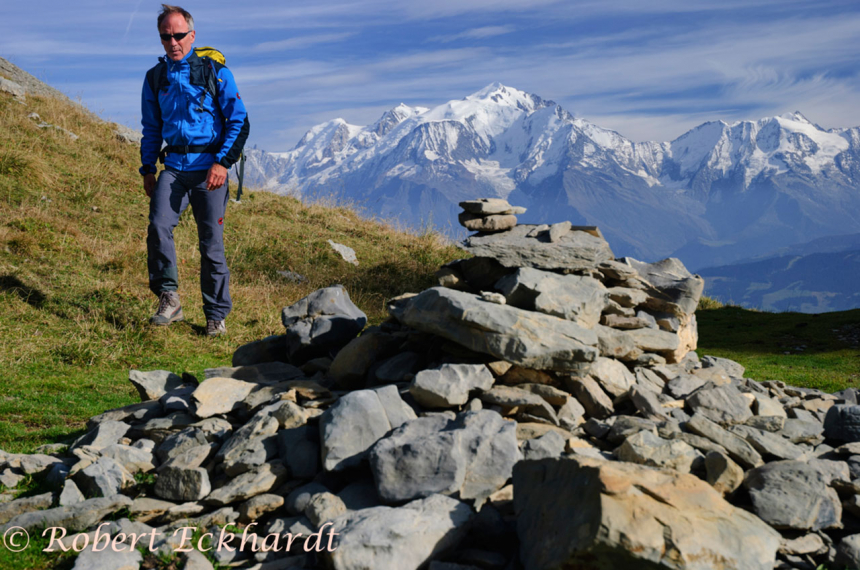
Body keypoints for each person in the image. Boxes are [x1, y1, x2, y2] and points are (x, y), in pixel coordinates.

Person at [139, 4, 249, 336]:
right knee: (158, 227)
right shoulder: (155, 77)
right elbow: (151, 128)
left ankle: (216, 316)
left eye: (178, 35)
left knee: (211, 244)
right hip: (172, 168)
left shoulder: (216, 72)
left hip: (209, 171)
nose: (172, 42)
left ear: (192, 35)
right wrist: (147, 167)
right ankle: (169, 299)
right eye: (165, 37)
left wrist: (222, 163)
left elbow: (239, 122)